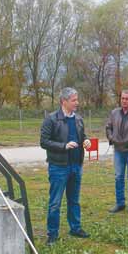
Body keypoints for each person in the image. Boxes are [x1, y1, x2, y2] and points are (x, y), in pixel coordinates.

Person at [40, 87, 92, 245]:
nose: (77, 103)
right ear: (64, 101)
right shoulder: (51, 119)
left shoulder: (79, 119)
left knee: (74, 200)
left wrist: (86, 141)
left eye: (77, 99)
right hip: (58, 167)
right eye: (74, 100)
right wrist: (64, 146)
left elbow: (82, 136)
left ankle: (75, 228)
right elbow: (44, 142)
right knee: (55, 202)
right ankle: (52, 234)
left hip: (76, 166)